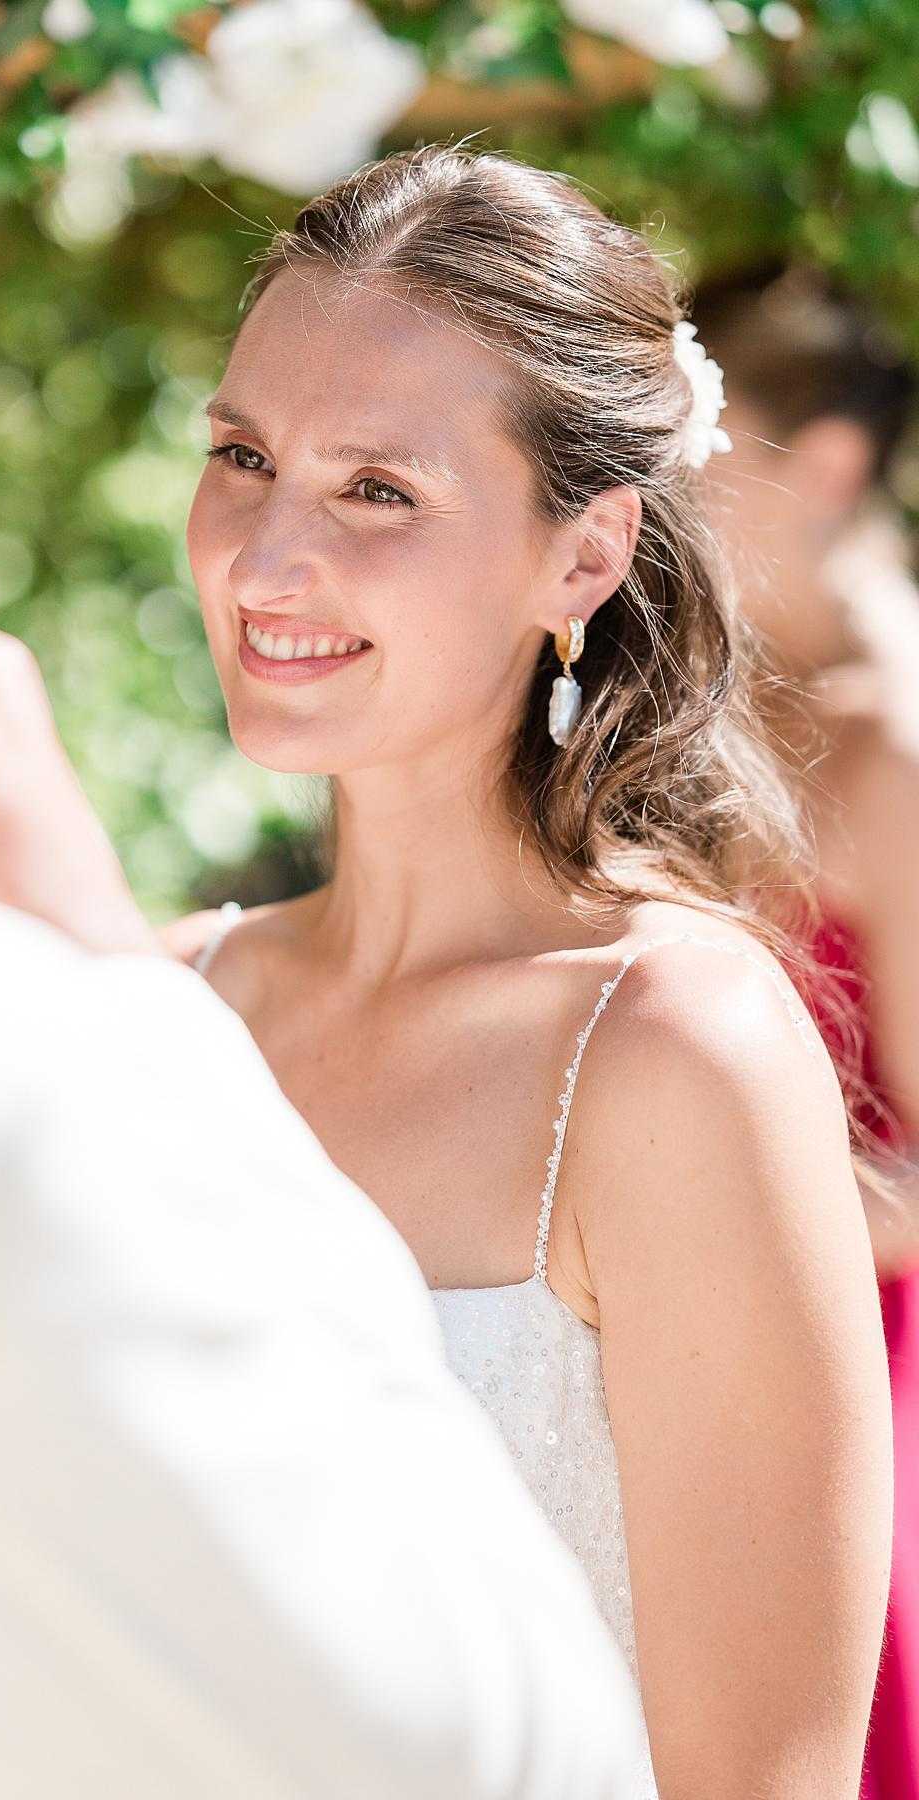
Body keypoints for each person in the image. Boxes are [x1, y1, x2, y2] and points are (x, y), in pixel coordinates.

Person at [0, 144, 895, 1799]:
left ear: (581, 559)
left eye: (378, 489)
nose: (264, 557)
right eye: (242, 455)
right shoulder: (151, 991)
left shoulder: (673, 1050)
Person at [692, 266, 919, 1800]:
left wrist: (695, 1172)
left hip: (865, 1396)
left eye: (695, 443)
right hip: (681, 1346)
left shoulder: (895, 754)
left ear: (823, 466)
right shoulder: (682, 702)